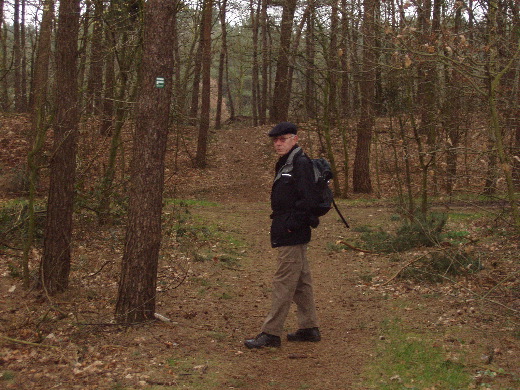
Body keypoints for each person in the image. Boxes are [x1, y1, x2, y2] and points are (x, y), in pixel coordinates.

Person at [244, 121, 322, 349]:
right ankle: (309, 328)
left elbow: (308, 200)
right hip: (288, 230)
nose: (278, 144)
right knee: (301, 281)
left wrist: (291, 225)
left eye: (283, 139)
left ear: (295, 139)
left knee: (283, 282)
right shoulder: (287, 162)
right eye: (276, 140)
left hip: (292, 232)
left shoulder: (300, 163)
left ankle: (271, 333)